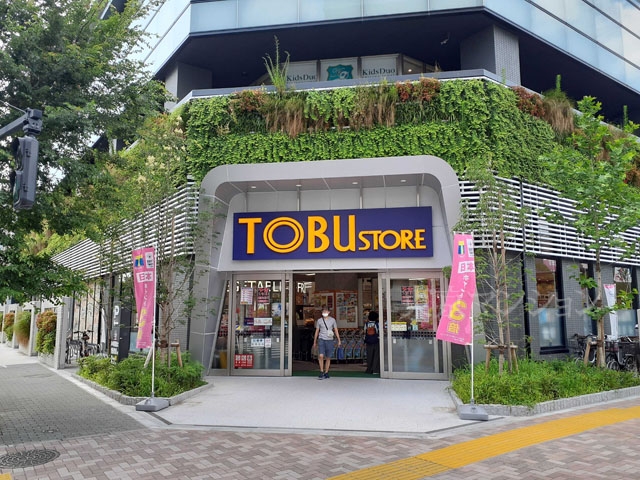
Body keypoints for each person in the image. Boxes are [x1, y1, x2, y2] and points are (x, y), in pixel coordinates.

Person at [313, 306, 341, 379]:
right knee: (321, 355)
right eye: (323, 311)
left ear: (329, 312)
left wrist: (339, 340)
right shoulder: (319, 321)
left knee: (328, 357)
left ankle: (326, 372)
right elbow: (317, 331)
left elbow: (336, 330)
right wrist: (315, 341)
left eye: (326, 311)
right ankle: (321, 371)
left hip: (330, 340)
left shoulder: (333, 320)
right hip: (321, 339)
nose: (324, 313)